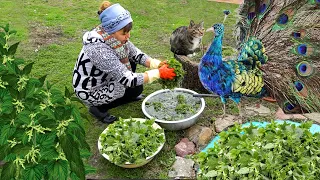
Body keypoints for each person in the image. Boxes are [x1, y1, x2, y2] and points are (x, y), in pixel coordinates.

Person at [72, 1, 176, 123]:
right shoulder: (97, 49)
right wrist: (158, 73)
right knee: (127, 87)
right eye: (124, 33)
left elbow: (135, 54)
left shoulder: (110, 36)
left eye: (128, 31)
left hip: (104, 77)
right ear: (112, 31)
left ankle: (124, 96)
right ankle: (98, 108)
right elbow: (128, 79)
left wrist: (156, 64)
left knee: (136, 89)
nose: (128, 36)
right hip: (91, 90)